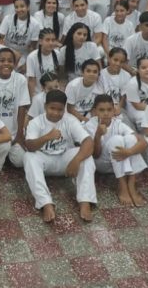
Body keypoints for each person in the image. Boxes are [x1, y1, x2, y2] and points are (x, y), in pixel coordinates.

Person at [22, 89, 97, 223]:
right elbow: (29, 146)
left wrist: (76, 160)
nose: (56, 113)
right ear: (45, 106)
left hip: (65, 160)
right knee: (29, 157)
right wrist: (47, 137)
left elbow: (88, 141)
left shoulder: (70, 120)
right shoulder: (36, 122)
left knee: (86, 156)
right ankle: (46, 203)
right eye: (52, 108)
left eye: (60, 109)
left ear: (64, 109)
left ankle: (85, 201)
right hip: (44, 160)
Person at [87, 94, 147, 205]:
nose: (106, 113)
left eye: (109, 110)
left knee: (131, 139)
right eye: (101, 110)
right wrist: (97, 135)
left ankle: (131, 185)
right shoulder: (90, 125)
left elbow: (144, 143)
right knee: (117, 140)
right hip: (101, 164)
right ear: (94, 111)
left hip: (119, 160)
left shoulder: (118, 123)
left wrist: (128, 152)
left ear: (114, 110)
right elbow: (95, 155)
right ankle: (122, 186)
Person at [0, 0, 41, 64]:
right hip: (7, 51)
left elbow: (32, 47)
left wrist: (28, 63)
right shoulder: (7, 19)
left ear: (28, 7)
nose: (19, 9)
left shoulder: (35, 24)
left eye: (22, 6)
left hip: (23, 54)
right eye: (16, 7)